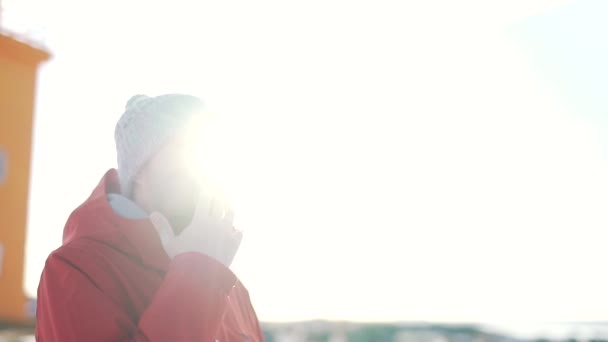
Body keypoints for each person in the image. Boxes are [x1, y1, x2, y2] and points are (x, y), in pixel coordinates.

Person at [35, 94, 263, 341]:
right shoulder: (76, 269)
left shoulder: (231, 287)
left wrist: (205, 268)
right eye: (181, 150)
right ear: (139, 171)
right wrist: (199, 272)